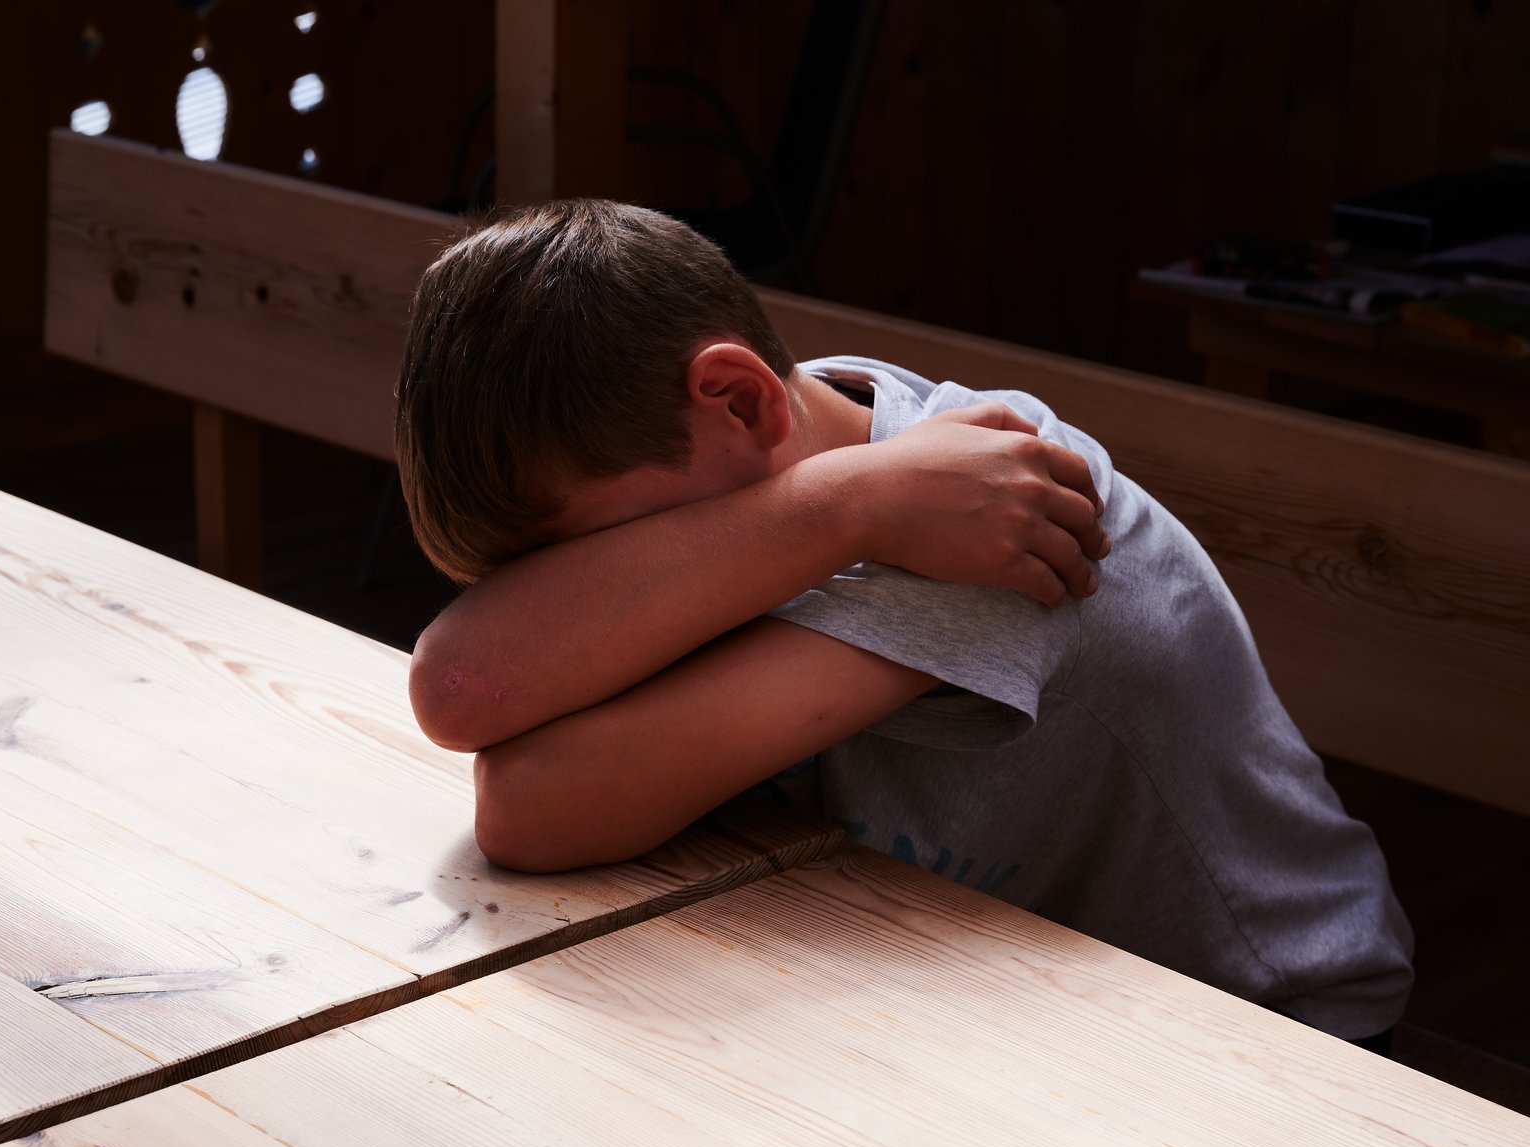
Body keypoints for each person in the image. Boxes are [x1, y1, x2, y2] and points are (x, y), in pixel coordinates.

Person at [394, 199, 1412, 1049]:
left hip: (1264, 1019)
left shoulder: (1001, 515)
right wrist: (850, 501)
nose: (606, 588)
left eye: (596, 556)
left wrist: (857, 510)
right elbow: (456, 690)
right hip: (997, 988)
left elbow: (531, 808)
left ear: (738, 399)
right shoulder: (827, 465)